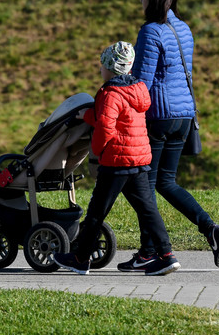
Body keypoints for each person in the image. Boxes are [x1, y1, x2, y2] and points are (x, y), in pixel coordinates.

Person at [118, 0, 219, 272]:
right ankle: (211, 228)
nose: (140, 0)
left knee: (143, 185)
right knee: (166, 182)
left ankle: (149, 251)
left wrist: (118, 95)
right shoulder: (184, 28)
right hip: (184, 116)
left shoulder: (150, 32)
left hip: (158, 118)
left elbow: (142, 81)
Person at [53, 41, 180, 276]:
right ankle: (166, 255)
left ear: (110, 67)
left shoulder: (109, 92)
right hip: (139, 159)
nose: (100, 69)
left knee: (97, 211)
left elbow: (106, 127)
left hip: (116, 161)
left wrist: (98, 151)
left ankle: (80, 259)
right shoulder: (138, 89)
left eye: (102, 65)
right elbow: (121, 117)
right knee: (148, 209)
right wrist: (88, 115)